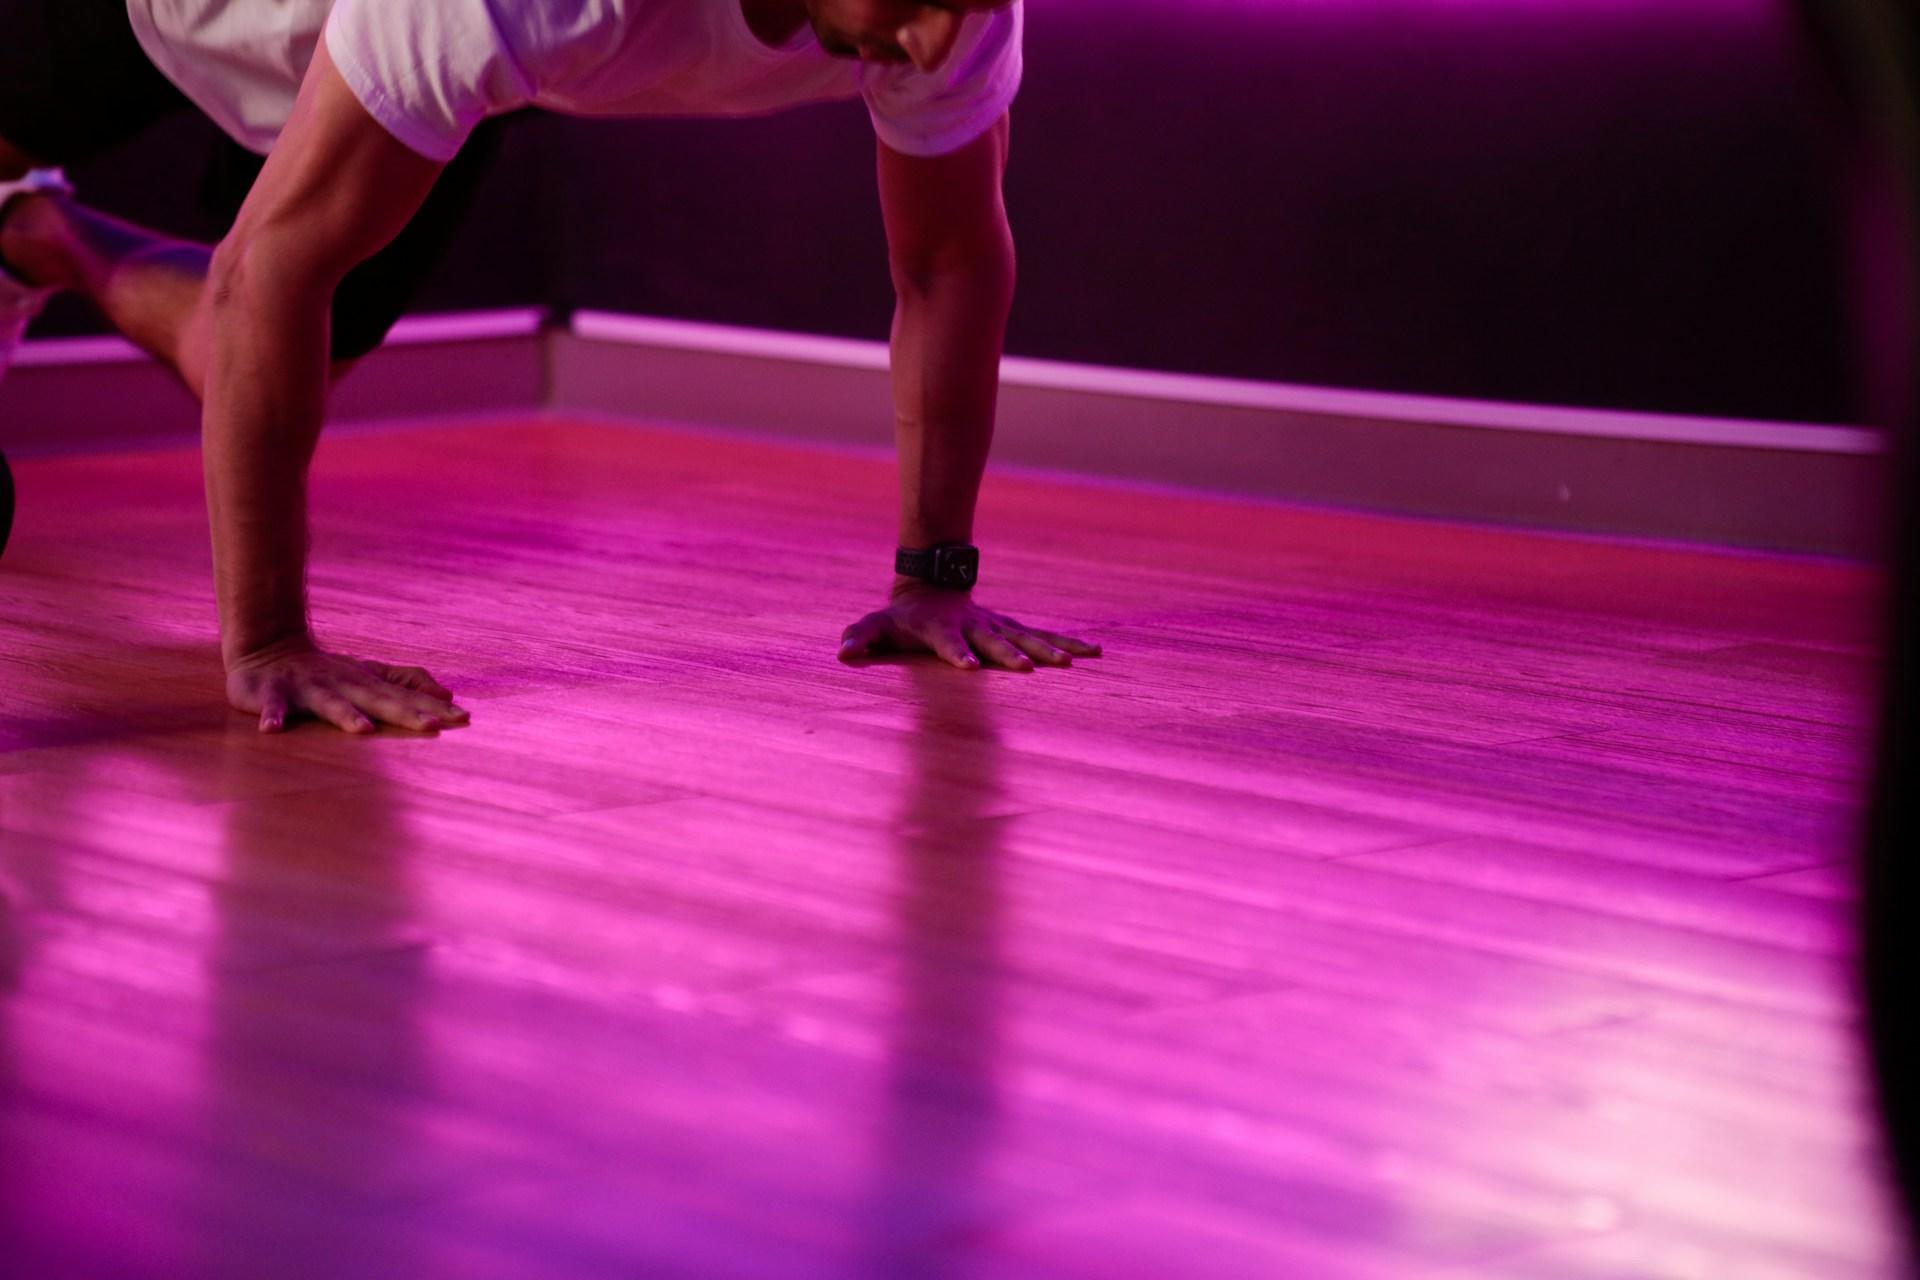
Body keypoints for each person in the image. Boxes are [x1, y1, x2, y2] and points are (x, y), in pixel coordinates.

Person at [0, 0, 1100, 735]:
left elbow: (949, 264)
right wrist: (272, 641)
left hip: (424, 46)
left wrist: (932, 578)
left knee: (285, 350)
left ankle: (37, 234)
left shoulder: (955, 17)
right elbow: (258, 274)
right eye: (909, 3)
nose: (927, 41)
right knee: (253, 294)